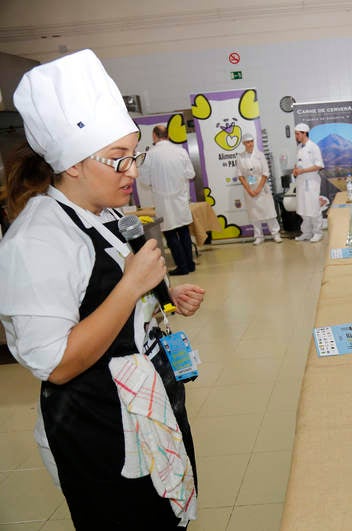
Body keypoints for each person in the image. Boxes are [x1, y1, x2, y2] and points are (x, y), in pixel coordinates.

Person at [0, 49, 205, 529]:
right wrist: (132, 287)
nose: (132, 171)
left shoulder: (107, 217)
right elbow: (57, 363)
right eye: (117, 160)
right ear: (72, 164)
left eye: (132, 155)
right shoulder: (38, 240)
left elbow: (117, 294)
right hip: (99, 427)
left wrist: (167, 299)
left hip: (146, 402)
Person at [137, 124, 196, 275]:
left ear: (154, 136)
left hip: (163, 200)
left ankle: (182, 267)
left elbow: (144, 180)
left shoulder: (149, 155)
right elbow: (191, 174)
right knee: (184, 232)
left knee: (170, 234)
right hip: (180, 199)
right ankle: (190, 264)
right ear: (168, 136)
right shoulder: (180, 151)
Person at [236, 132, 281, 244]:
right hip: (249, 189)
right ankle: (258, 236)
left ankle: (275, 234)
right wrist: (249, 190)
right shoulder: (240, 157)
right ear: (243, 144)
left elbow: (265, 173)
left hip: (262, 187)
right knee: (254, 213)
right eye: (247, 142)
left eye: (251, 142)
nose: (250, 144)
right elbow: (240, 175)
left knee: (269, 211)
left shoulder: (260, 155)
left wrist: (258, 189)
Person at [292, 123, 325, 242]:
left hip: (311, 182)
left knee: (313, 207)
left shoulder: (313, 147)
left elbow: (319, 165)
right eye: (295, 134)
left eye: (297, 134)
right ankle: (306, 232)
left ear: (304, 133)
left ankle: (318, 232)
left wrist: (303, 171)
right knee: (303, 208)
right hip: (301, 181)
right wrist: (295, 170)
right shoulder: (299, 147)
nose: (296, 136)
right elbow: (297, 163)